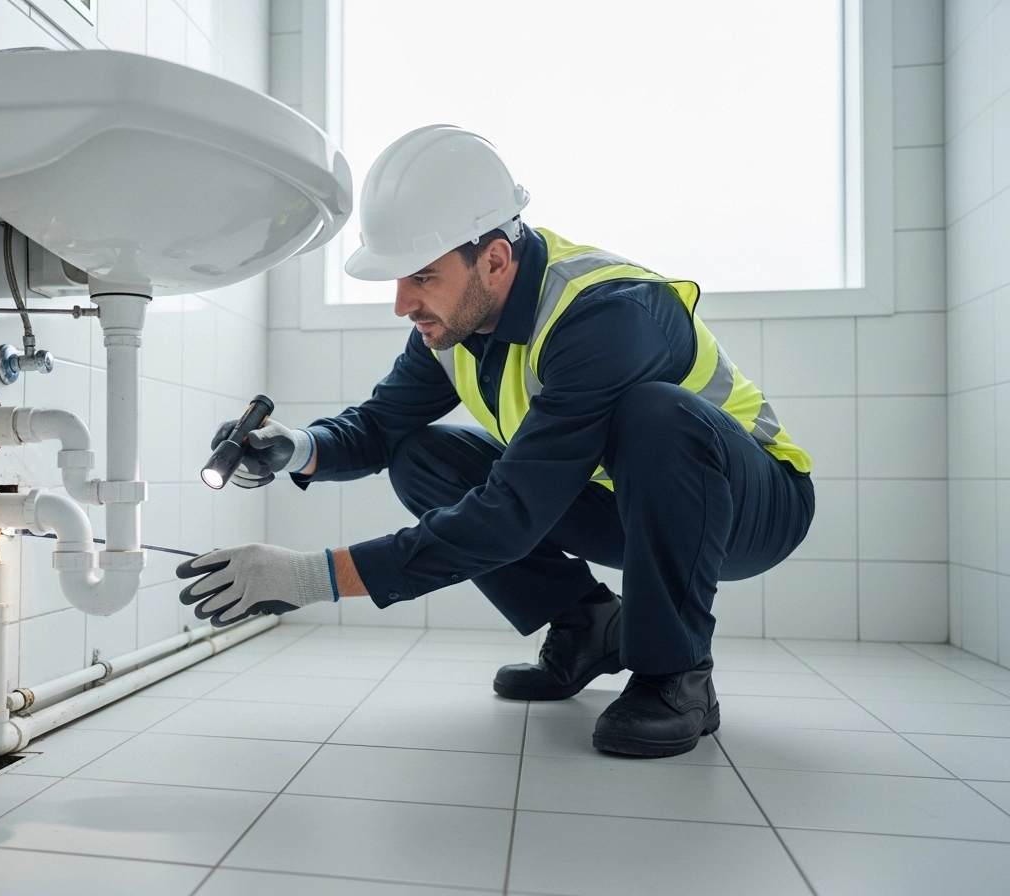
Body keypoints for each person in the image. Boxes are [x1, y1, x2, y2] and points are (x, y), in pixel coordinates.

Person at [177, 125, 815, 758]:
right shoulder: (455, 320)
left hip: (747, 505)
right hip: (630, 508)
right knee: (421, 458)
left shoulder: (606, 316)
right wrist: (298, 445)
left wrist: (312, 577)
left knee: (655, 414)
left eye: (421, 276)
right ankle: (588, 624)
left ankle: (677, 675)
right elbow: (380, 426)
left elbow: (512, 514)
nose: (402, 303)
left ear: (495, 260)